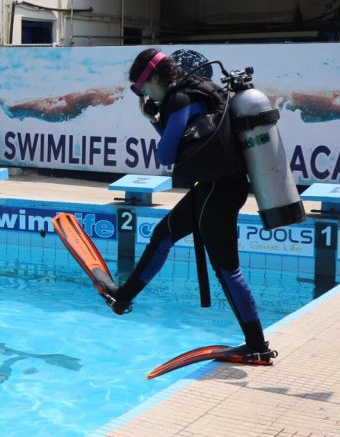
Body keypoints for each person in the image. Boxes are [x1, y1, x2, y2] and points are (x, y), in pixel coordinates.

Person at [96, 49, 276, 363]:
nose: (143, 95)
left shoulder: (180, 100)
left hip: (217, 190)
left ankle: (257, 346)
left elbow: (166, 154)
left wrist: (152, 120)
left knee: (227, 270)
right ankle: (123, 296)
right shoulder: (197, 91)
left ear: (152, 79)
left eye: (142, 89)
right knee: (164, 234)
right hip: (219, 186)